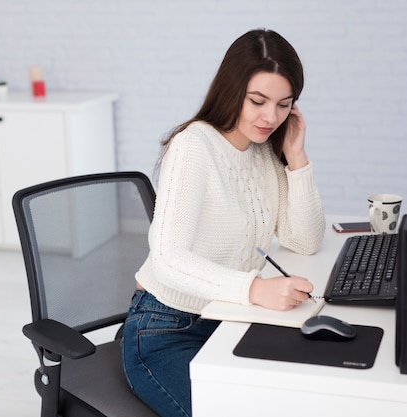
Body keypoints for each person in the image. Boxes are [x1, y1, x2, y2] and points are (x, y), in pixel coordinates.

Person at [121, 28, 325, 417]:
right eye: (258, 101)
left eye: (284, 104)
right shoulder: (194, 146)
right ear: (232, 90)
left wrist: (297, 156)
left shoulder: (265, 148)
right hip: (166, 330)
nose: (270, 117)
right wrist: (254, 289)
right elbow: (166, 256)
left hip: (229, 318)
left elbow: (304, 239)